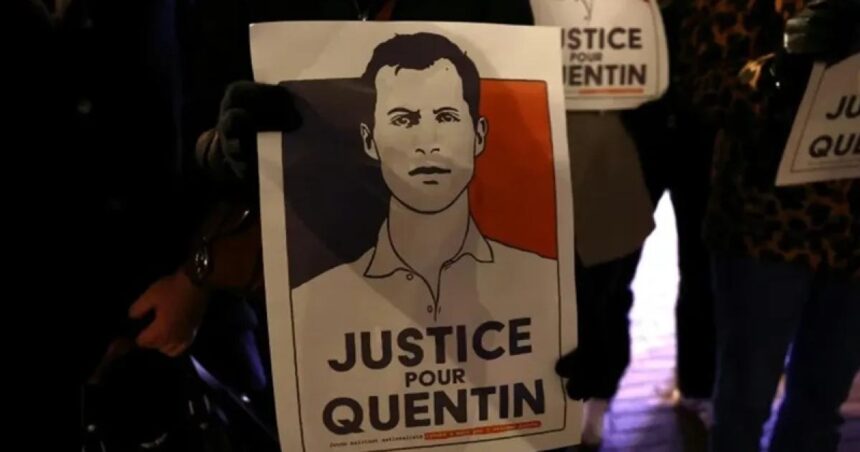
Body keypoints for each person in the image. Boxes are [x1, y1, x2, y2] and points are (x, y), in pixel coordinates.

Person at [697, 0, 860, 450]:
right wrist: (781, 71)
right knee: (745, 400)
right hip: (765, 227)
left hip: (853, 233)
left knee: (820, 403)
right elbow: (705, 88)